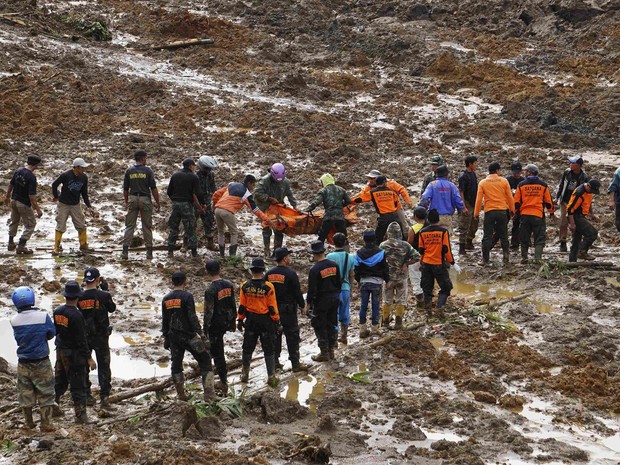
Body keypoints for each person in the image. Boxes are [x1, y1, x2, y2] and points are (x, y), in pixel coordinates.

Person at [162, 271, 216, 401]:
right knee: (205, 360)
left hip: (174, 337)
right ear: (185, 282)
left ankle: (181, 395)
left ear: (172, 282)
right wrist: (201, 334)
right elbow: (192, 317)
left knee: (176, 365)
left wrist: (166, 338)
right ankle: (209, 394)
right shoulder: (187, 297)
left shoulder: (166, 299)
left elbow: (165, 320)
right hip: (189, 336)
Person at [10, 286, 56, 432]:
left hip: (23, 362)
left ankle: (29, 423)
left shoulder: (14, 320)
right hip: (41, 361)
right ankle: (46, 423)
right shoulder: (43, 317)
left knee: (25, 393)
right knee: (46, 391)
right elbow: (51, 333)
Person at [53, 280, 96, 424]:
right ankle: (81, 416)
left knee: (60, 380)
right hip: (74, 354)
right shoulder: (77, 316)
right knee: (78, 385)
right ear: (78, 296)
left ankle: (53, 406)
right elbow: (81, 340)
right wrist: (89, 358)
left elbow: (56, 331)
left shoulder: (58, 311)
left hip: (60, 351)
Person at [237, 258, 281, 387]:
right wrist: (277, 321)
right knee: (269, 348)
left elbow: (242, 306)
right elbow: (272, 307)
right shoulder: (268, 287)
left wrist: (240, 319)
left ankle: (245, 374)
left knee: (247, 347)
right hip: (266, 321)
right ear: (263, 270)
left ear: (251, 270)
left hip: (251, 320)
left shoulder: (245, 286)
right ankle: (271, 377)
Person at [77, 268, 117, 409]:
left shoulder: (79, 297)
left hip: (85, 336)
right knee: (104, 366)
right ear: (98, 279)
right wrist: (106, 290)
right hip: (101, 336)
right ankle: (104, 397)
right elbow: (112, 309)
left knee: (84, 366)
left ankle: (87, 394)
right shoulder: (104, 295)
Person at [265, 247, 308, 372]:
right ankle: (295, 364)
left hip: (273, 310)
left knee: (275, 335)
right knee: (292, 335)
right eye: (289, 256)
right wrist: (302, 305)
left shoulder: (268, 274)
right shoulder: (291, 273)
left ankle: (275, 362)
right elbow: (297, 292)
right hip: (288, 310)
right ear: (284, 259)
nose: (290, 258)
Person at [213, 175, 271, 257]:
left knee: (220, 232)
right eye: (253, 185)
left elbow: (216, 194)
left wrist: (215, 204)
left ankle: (222, 256)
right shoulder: (246, 194)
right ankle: (232, 257)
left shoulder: (231, 184)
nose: (253, 188)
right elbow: (255, 210)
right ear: (249, 183)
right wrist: (267, 219)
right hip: (227, 212)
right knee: (234, 233)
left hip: (217, 209)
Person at [203, 260, 236, 393]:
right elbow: (233, 304)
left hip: (215, 324)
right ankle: (222, 379)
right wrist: (233, 321)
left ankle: (222, 382)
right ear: (220, 269)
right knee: (218, 350)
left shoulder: (210, 290)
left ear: (207, 272)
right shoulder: (228, 285)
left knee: (216, 353)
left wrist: (205, 329)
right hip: (226, 321)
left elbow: (208, 311)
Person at [474, 162, 515, 265]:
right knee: (504, 235)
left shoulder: (483, 182)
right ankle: (506, 258)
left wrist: (476, 213)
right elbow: (510, 197)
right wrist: (512, 210)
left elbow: (478, 200)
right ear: (497, 170)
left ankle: (485, 260)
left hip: (490, 212)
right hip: (502, 211)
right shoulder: (504, 181)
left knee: (487, 236)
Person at [121, 151, 160, 260]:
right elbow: (153, 188)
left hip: (133, 198)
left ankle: (125, 251)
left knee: (129, 226)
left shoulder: (129, 170)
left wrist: (126, 201)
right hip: (145, 199)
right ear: (143, 159)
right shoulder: (148, 171)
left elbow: (125, 189)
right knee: (147, 226)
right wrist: (157, 202)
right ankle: (149, 252)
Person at [380, 222, 419, 330]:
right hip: (402, 277)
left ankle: (385, 323)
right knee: (401, 300)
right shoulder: (406, 245)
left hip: (388, 278)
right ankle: (398, 323)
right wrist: (406, 263)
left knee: (387, 300)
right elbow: (417, 257)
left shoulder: (383, 245)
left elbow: (378, 260)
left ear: (388, 233)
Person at [51, 157, 95, 255]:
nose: (84, 169)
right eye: (82, 168)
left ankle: (83, 245)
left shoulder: (84, 177)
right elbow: (54, 185)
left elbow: (84, 193)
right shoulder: (66, 175)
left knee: (81, 225)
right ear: (76, 167)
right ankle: (56, 248)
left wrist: (89, 206)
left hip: (75, 204)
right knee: (60, 225)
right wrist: (56, 196)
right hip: (63, 204)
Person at [306, 241, 341, 361]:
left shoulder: (314, 270)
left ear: (314, 254)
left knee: (319, 325)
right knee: (332, 323)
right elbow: (338, 282)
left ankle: (324, 352)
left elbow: (311, 290)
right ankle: (331, 351)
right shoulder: (334, 265)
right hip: (334, 298)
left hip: (321, 301)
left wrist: (308, 304)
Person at [352, 170, 412, 239]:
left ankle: (408, 240)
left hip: (396, 208)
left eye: (372, 179)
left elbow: (401, 189)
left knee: (403, 225)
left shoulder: (390, 184)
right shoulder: (369, 186)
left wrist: (408, 201)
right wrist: (349, 201)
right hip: (383, 210)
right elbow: (360, 196)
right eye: (369, 179)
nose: (370, 181)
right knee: (384, 227)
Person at [254, 163, 298, 257]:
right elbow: (257, 193)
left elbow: (290, 194)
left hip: (278, 207)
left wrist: (295, 206)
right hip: (265, 207)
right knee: (266, 228)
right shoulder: (264, 181)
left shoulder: (285, 182)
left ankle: (277, 252)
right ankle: (266, 250)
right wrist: (269, 198)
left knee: (279, 228)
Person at [513, 164, 555, 264]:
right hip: (538, 215)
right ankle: (537, 259)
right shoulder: (543, 185)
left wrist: (514, 213)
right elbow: (549, 202)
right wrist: (552, 214)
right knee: (539, 238)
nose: (524, 173)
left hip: (525, 215)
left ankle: (524, 258)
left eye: (526, 171)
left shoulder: (521, 185)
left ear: (529, 172)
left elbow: (516, 202)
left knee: (524, 238)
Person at [166, 158, 204, 258]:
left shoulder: (175, 175)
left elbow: (169, 191)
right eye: (194, 166)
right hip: (187, 205)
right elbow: (198, 193)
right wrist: (203, 203)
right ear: (191, 166)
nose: (195, 168)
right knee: (190, 228)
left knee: (174, 227)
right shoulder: (194, 177)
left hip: (176, 204)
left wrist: (174, 200)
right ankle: (194, 252)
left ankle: (170, 251)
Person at [4, 155, 43, 254]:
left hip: (14, 200)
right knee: (31, 224)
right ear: (35, 165)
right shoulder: (31, 177)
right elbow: (31, 196)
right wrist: (37, 209)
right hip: (23, 203)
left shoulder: (18, 170)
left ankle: (11, 243)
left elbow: (11, 184)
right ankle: (21, 245)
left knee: (14, 221)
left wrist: (7, 197)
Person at [354, 231, 390, 338]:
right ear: (375, 239)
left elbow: (356, 269)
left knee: (363, 305)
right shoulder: (381, 252)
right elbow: (385, 268)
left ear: (364, 240)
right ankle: (374, 328)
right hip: (377, 282)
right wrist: (387, 280)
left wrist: (358, 280)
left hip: (364, 282)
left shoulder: (359, 253)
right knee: (375, 305)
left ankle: (362, 328)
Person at [419, 209, 454, 315]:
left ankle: (428, 309)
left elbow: (421, 250)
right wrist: (452, 262)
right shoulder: (443, 232)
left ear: (428, 220)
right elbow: (446, 249)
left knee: (427, 288)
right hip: (438, 264)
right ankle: (439, 307)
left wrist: (421, 263)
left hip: (426, 263)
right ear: (438, 220)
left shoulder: (422, 232)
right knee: (446, 287)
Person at [326, 232, 355, 345]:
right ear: (344, 243)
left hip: (333, 290)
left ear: (333, 243)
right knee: (345, 313)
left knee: (334, 314)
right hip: (346, 289)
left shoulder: (329, 257)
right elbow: (352, 274)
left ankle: (334, 340)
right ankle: (344, 336)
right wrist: (351, 288)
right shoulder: (350, 257)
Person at [420, 165, 466, 235]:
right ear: (446, 174)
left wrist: (424, 210)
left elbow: (424, 198)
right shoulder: (451, 185)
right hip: (446, 217)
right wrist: (461, 210)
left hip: (434, 218)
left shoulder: (432, 185)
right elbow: (458, 200)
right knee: (446, 239)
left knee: (434, 239)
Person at [555, 156, 589, 252]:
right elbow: (562, 185)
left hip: (576, 204)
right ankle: (563, 242)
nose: (570, 164)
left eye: (572, 163)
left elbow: (587, 193)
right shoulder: (567, 172)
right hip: (565, 201)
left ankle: (575, 243)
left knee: (576, 223)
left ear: (578, 165)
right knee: (563, 222)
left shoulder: (584, 177)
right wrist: (557, 197)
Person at [305, 173, 352, 243]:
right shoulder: (341, 189)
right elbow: (348, 201)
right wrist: (340, 206)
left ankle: (318, 250)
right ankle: (346, 252)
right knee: (343, 237)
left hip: (329, 217)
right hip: (340, 217)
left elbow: (316, 202)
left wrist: (307, 210)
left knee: (322, 236)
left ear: (324, 182)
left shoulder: (323, 191)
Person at [567, 179, 601, 262]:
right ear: (588, 186)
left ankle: (572, 262)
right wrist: (572, 224)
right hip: (575, 216)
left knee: (576, 240)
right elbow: (570, 209)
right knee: (592, 233)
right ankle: (582, 251)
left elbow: (588, 203)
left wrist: (591, 214)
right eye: (591, 190)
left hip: (581, 216)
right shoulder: (579, 193)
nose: (592, 192)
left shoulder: (588, 192)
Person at [196, 155, 219, 251]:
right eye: (207, 169)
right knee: (191, 222)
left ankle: (210, 243)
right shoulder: (195, 176)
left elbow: (213, 188)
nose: (208, 171)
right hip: (196, 201)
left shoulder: (211, 175)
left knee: (209, 222)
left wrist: (217, 200)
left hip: (207, 201)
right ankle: (186, 243)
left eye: (209, 169)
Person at [457, 156, 479, 254]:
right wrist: (463, 206)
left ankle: (469, 242)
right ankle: (461, 247)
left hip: (474, 202)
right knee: (464, 225)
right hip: (466, 202)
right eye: (475, 163)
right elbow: (461, 191)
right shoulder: (463, 176)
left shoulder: (473, 174)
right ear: (470, 164)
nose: (476, 165)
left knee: (475, 223)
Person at [407, 207, 428, 306]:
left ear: (415, 216)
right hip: (429, 256)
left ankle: (420, 301)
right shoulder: (429, 227)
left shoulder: (413, 229)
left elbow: (409, 243)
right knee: (427, 278)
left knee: (415, 278)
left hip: (416, 256)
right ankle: (428, 298)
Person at [506, 161, 524, 249]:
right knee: (503, 223)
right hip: (508, 205)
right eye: (515, 173)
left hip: (519, 206)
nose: (516, 174)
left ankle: (515, 243)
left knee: (517, 225)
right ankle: (502, 242)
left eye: (518, 172)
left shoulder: (523, 181)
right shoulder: (507, 180)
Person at [607, 166, 620, 232]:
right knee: (619, 223)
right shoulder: (618, 171)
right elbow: (613, 187)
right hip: (619, 201)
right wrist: (611, 201)